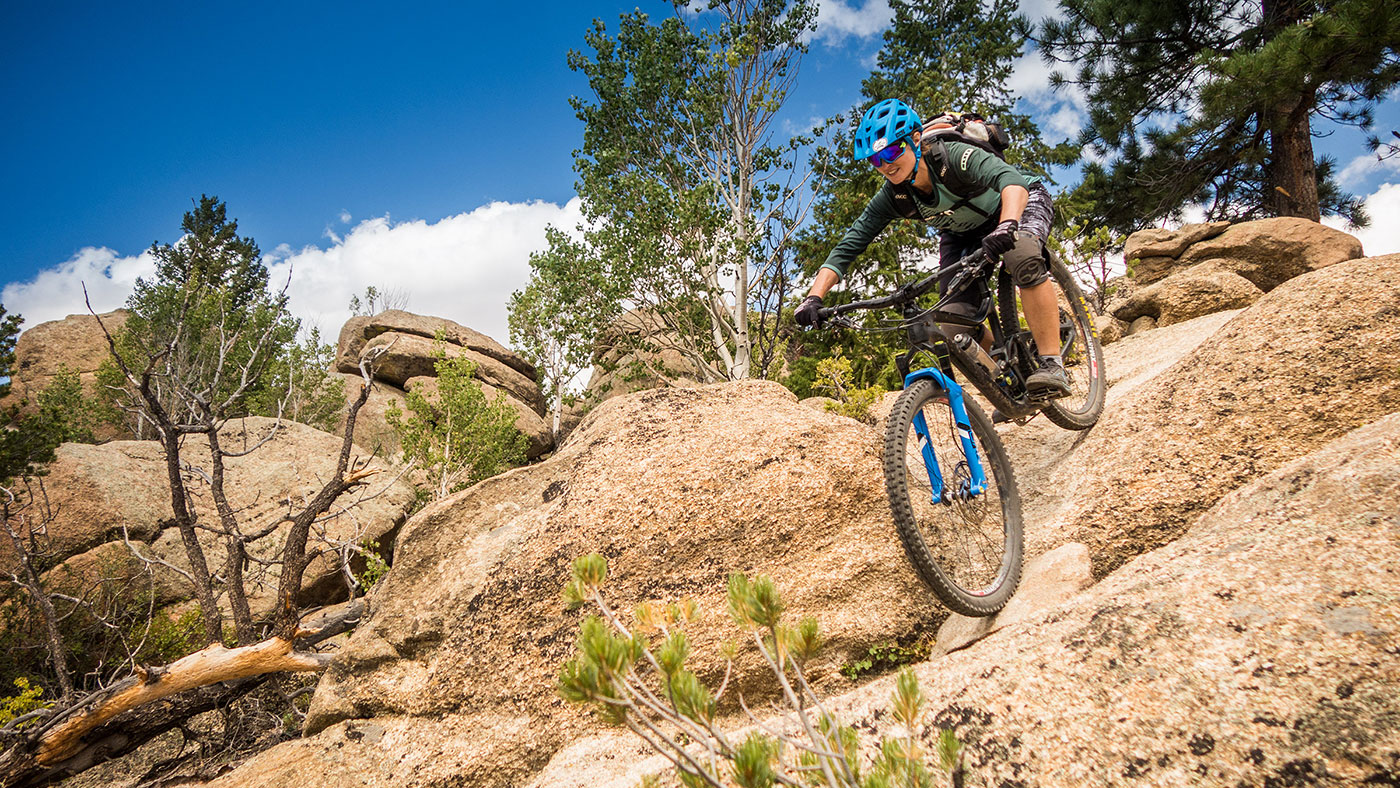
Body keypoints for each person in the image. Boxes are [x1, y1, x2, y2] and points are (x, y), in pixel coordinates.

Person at [794, 99, 1070, 398]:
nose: (886, 165)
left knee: (1023, 256)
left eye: (891, 151)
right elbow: (849, 245)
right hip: (963, 233)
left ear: (914, 139)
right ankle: (1010, 373)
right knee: (951, 326)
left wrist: (1007, 224)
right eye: (876, 160)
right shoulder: (893, 196)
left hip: (1017, 203)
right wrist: (813, 298)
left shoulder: (953, 157)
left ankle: (1052, 362)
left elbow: (1011, 181)